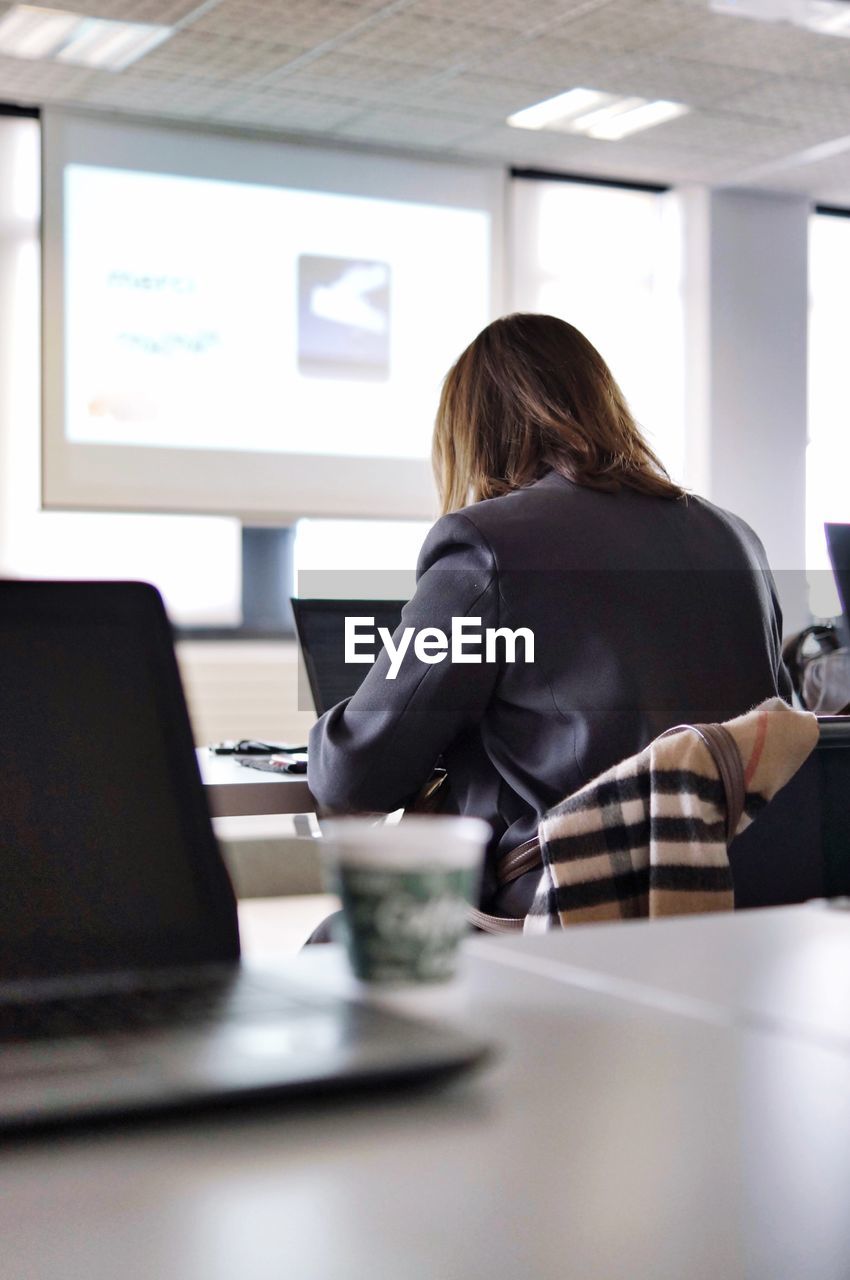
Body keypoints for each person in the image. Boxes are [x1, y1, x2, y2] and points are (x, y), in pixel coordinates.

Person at [308, 313, 792, 920]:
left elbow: (356, 776)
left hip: (569, 903)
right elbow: (780, 730)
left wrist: (341, 725)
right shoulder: (734, 537)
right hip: (734, 896)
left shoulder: (484, 544)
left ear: (470, 435)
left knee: (339, 942)